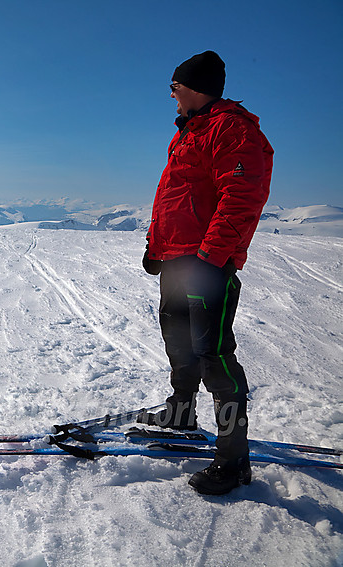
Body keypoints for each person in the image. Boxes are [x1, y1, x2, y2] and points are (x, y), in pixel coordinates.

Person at [140, 51, 274, 495]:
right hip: (179, 260)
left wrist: (211, 258)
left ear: (193, 87)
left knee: (213, 354)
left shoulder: (231, 128)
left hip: (205, 264)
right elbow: (177, 197)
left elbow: (241, 195)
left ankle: (233, 460)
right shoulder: (191, 130)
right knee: (179, 342)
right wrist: (156, 248)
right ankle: (181, 412)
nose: (172, 98)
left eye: (174, 89)